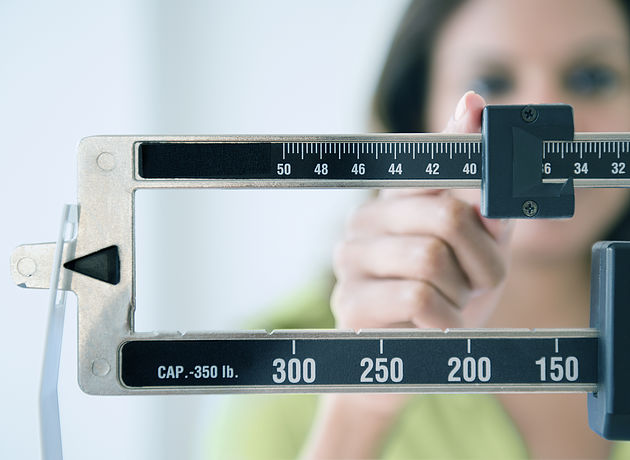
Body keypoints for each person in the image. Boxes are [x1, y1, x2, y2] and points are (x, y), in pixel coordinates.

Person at [208, 0, 630, 458]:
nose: (543, 120)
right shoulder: (277, 369)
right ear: (420, 121)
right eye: (490, 83)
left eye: (594, 78)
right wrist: (362, 400)